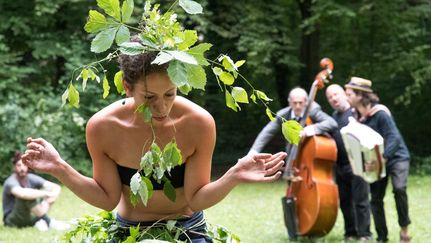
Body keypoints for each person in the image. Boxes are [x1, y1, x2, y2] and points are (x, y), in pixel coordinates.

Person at [21, 51, 287, 242]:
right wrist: (59, 168)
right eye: (149, 97)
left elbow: (196, 198)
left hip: (188, 230)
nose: (162, 108)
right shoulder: (102, 127)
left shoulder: (198, 123)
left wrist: (234, 175)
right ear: (127, 87)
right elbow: (107, 198)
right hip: (129, 232)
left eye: (170, 94)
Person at [345, 77, 411, 243]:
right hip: (377, 161)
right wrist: (363, 162)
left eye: (349, 94)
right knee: (375, 199)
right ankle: (382, 238)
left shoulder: (380, 113)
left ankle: (404, 230)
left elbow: (394, 139)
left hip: (396, 157)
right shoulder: (355, 117)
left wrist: (381, 159)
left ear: (360, 95)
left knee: (399, 189)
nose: (346, 97)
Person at [325, 84, 372, 242]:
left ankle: (365, 234)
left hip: (357, 163)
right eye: (330, 97)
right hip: (340, 166)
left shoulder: (355, 112)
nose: (333, 98)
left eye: (336, 94)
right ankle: (350, 232)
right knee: (345, 201)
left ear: (345, 95)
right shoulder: (333, 117)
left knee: (361, 200)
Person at [249, 87, 337, 154]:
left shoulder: (313, 110)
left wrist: (308, 130)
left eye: (300, 103)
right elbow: (266, 133)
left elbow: (331, 123)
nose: (298, 106)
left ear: (306, 102)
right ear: (289, 102)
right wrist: (253, 152)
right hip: (292, 155)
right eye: (294, 103)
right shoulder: (283, 115)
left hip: (311, 152)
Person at [2, 151, 70, 231]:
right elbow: (22, 194)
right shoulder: (10, 181)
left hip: (28, 217)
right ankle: (48, 222)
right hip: (12, 220)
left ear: (28, 167)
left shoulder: (31, 178)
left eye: (24, 165)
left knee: (46, 196)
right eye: (19, 165)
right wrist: (47, 194)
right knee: (27, 196)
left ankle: (40, 221)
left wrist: (52, 197)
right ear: (14, 167)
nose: (22, 168)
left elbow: (56, 187)